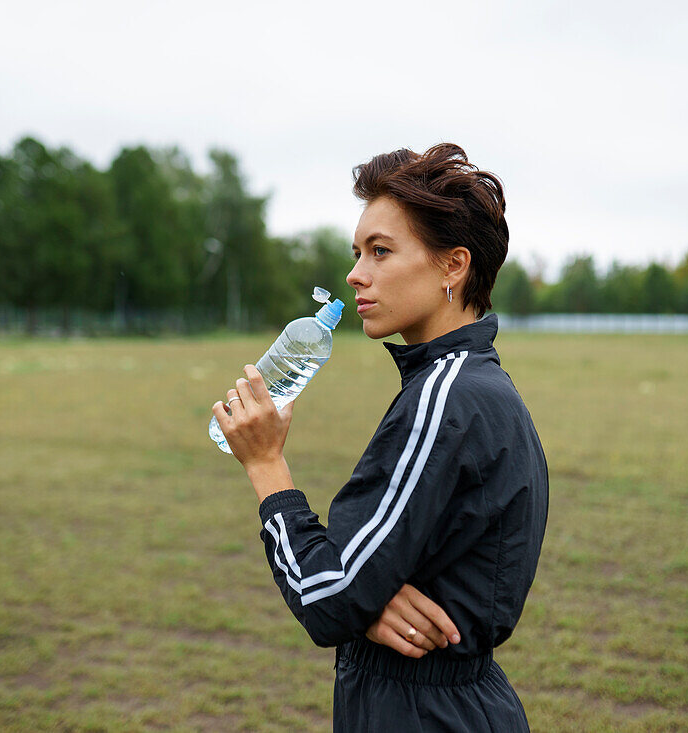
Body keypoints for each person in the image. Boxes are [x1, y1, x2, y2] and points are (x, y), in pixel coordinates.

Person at [210, 143, 549, 731]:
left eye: (381, 251)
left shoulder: (446, 400)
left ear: (453, 266)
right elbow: (355, 587)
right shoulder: (474, 385)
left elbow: (326, 598)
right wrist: (367, 602)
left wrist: (266, 465)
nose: (355, 273)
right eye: (357, 252)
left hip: (424, 713)